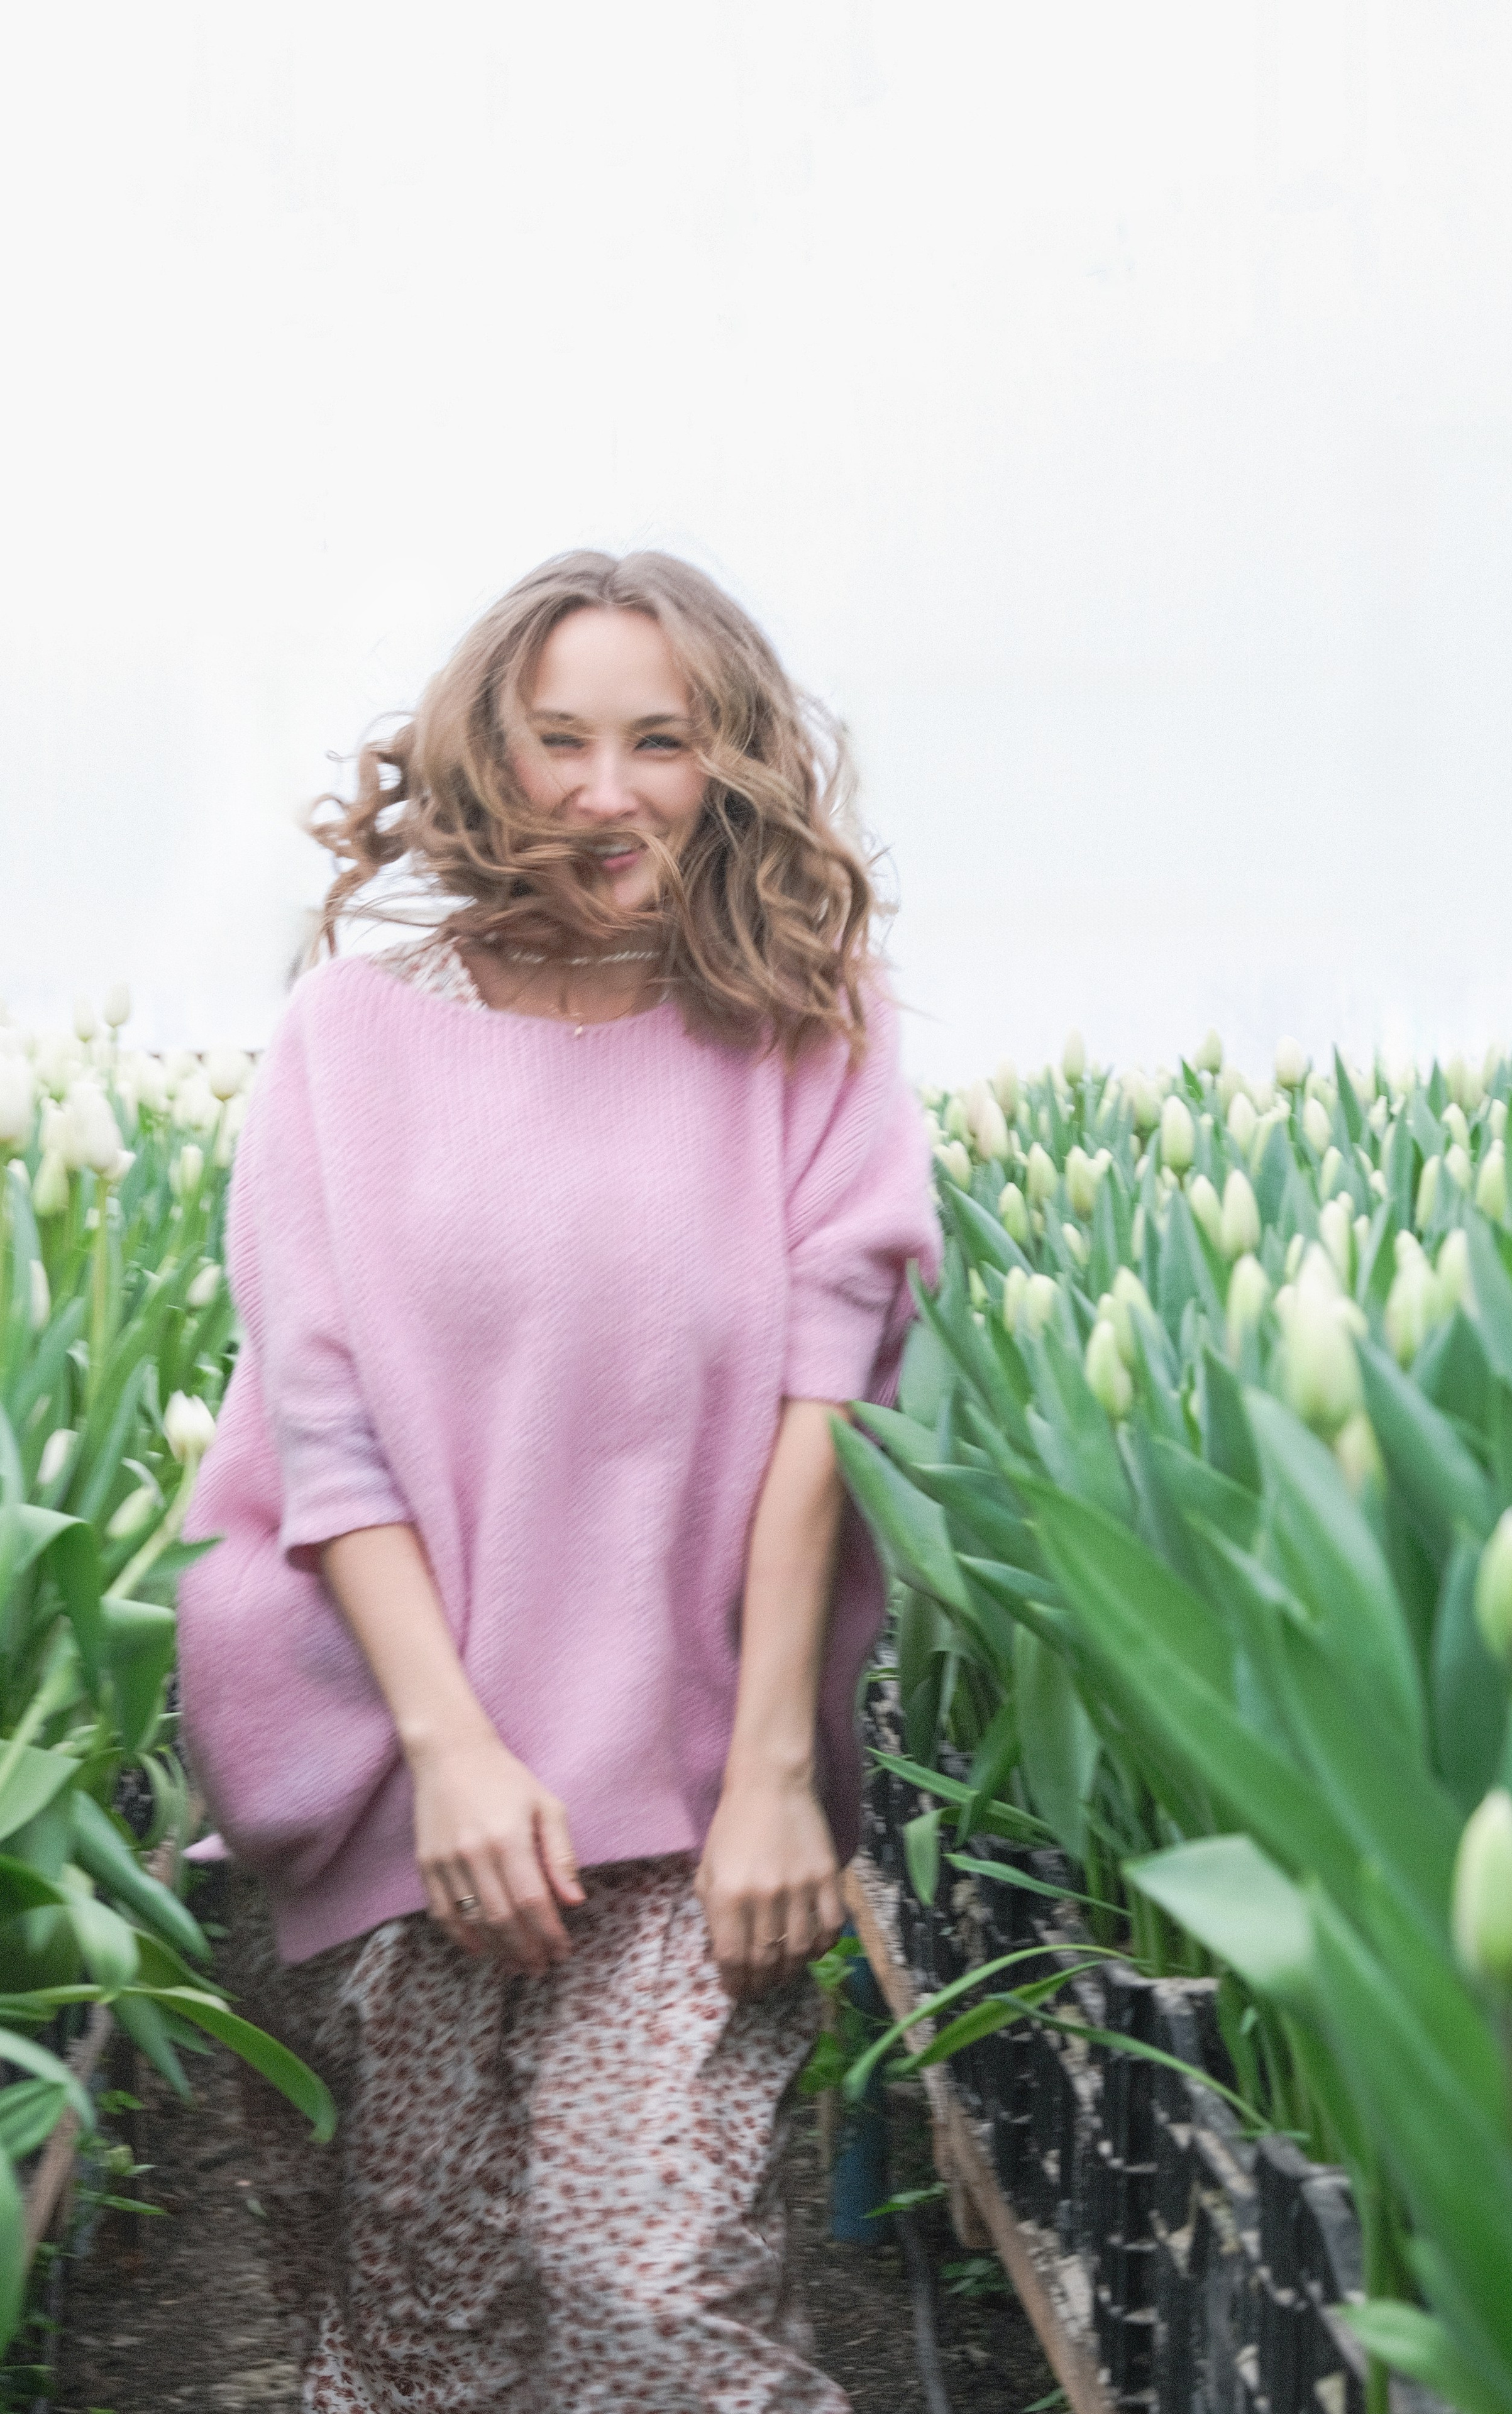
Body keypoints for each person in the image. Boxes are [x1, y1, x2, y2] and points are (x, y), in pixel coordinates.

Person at [176, 549, 942, 2412]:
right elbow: (324, 1413)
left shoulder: (803, 1027)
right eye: (561, 742)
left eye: (661, 740)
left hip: (701, 1790)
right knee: (434, 2337)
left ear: (734, 758)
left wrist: (772, 1774)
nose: (610, 790)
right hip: (407, 1765)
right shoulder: (349, 1040)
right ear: (486, 759)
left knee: (645, 2283)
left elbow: (821, 1409)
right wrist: (447, 1753)